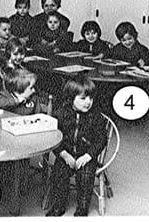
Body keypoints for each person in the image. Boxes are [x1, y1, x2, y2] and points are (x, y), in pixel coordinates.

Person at [45, 75, 107, 217]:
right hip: (66, 154)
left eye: (91, 98)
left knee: (86, 178)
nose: (88, 102)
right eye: (83, 98)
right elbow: (53, 137)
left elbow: (101, 139)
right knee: (59, 175)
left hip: (86, 155)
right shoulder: (61, 114)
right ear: (71, 98)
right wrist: (63, 154)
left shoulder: (95, 116)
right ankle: (58, 206)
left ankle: (82, 208)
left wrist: (88, 155)